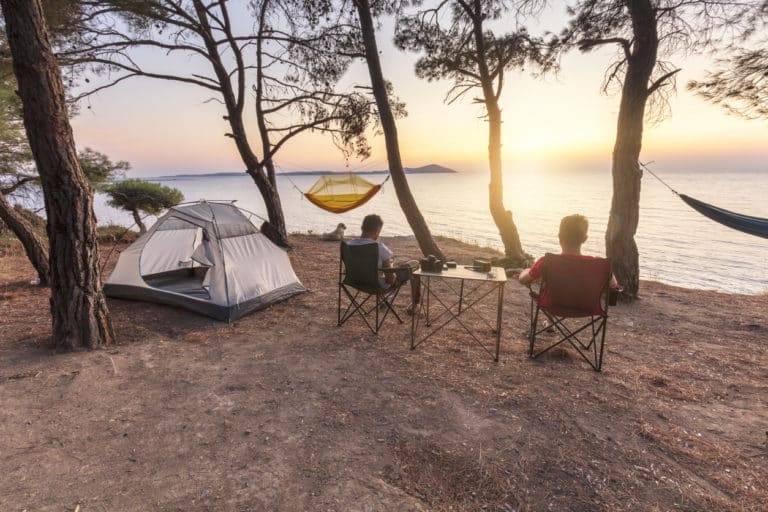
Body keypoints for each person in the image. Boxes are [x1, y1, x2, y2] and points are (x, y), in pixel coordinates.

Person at [515, 213, 618, 292]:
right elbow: (613, 285)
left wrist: (526, 270)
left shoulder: (547, 261)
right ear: (585, 239)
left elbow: (523, 280)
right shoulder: (600, 264)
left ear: (559, 236)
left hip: (553, 305)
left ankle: (551, 321)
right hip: (587, 308)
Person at [347, 214, 421, 312]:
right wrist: (393, 270)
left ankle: (385, 300)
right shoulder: (379, 247)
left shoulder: (349, 245)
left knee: (380, 270)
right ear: (378, 230)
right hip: (376, 285)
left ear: (362, 227)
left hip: (355, 282)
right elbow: (390, 280)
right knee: (414, 264)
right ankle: (415, 305)